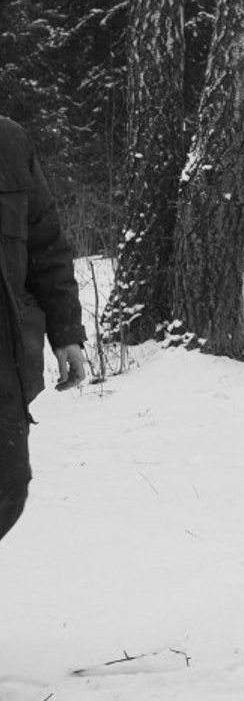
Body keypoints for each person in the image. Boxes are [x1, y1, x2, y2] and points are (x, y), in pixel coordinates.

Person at [0, 116, 89, 544]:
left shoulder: (10, 143)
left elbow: (46, 245)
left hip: (3, 360)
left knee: (9, 489)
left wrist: (65, 332)